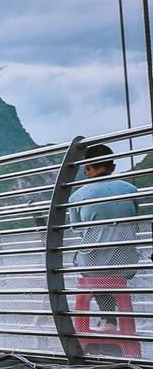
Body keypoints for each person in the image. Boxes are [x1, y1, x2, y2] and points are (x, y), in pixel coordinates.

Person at [68, 143, 141, 356]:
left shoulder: (77, 196)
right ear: (113, 166)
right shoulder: (130, 189)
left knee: (87, 264)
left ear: (86, 168)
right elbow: (135, 221)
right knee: (108, 265)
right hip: (125, 263)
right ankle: (114, 321)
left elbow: (78, 231)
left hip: (94, 266)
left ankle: (108, 319)